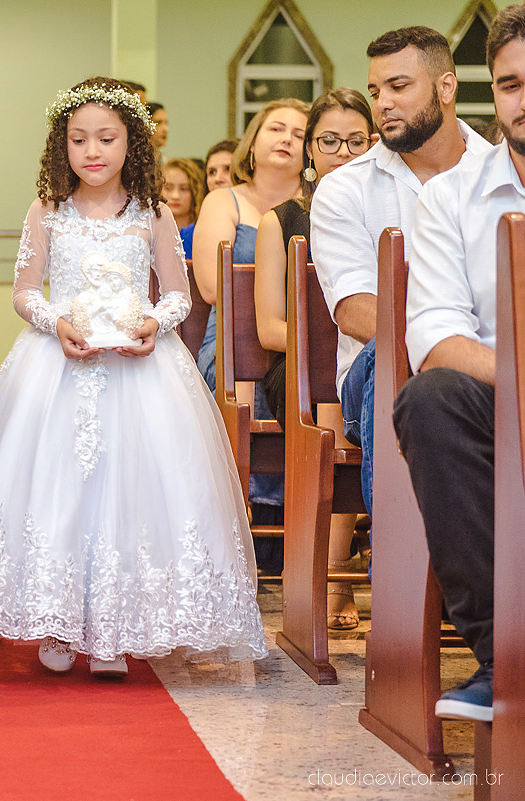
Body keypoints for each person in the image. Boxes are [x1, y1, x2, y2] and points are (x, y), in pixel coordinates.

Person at [0, 78, 266, 675]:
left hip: (139, 369)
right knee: (59, 488)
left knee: (130, 491)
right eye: (79, 140)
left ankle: (116, 631)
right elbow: (25, 292)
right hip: (59, 365)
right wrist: (56, 321)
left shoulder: (152, 212)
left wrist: (154, 323)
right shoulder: (46, 211)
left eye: (106, 138)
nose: (93, 150)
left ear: (132, 143)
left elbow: (179, 295)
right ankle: (56, 623)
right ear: (63, 146)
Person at [391, 3, 525, 723]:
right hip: (498, 397)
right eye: (510, 85)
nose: (524, 99)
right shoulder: (448, 199)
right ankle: (504, 658)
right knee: (430, 398)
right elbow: (437, 337)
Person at [312, 26, 492, 517]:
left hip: (491, 364)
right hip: (377, 373)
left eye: (398, 87)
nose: (382, 103)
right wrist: (446, 345)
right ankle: (398, 575)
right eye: (375, 91)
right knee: (389, 360)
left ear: (446, 88)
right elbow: (354, 310)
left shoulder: (499, 174)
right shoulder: (345, 188)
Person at [252, 88, 375, 630]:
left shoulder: (381, 212)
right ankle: (334, 580)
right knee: (334, 401)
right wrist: (324, 345)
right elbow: (267, 328)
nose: (341, 153)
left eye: (354, 141)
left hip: (364, 360)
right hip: (299, 366)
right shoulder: (281, 220)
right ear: (310, 151)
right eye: (328, 141)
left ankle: (358, 567)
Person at [193, 98, 308, 391]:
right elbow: (210, 286)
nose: (286, 139)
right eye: (276, 129)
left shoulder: (319, 206)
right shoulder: (223, 201)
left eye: (299, 135)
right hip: (231, 338)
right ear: (253, 144)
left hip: (302, 339)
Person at [161, 157, 204, 254]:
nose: (175, 196)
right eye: (168, 188)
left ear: (195, 192)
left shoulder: (202, 233)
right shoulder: (149, 233)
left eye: (184, 189)